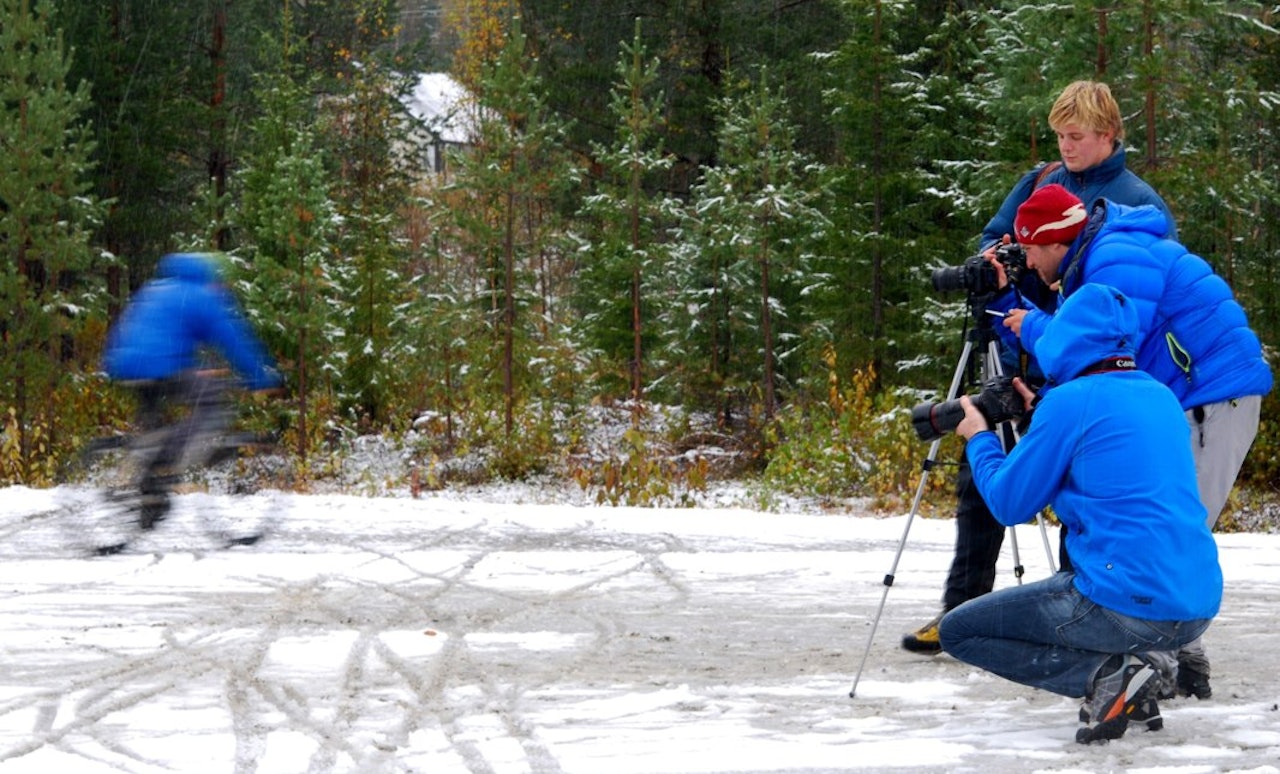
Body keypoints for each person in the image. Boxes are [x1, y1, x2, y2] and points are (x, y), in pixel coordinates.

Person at [903, 80, 1177, 654]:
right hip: (1016, 342)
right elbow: (994, 238)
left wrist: (1049, 314)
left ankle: (1088, 614)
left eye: (1076, 136)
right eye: (1059, 135)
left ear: (1108, 134)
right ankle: (962, 611)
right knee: (981, 478)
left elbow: (1133, 301)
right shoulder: (1040, 180)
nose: (1066, 146)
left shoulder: (1137, 201)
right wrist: (997, 264)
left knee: (1084, 481)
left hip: (1084, 366)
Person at [991, 183, 1272, 701]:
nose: (1027, 262)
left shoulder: (1115, 256)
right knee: (1167, 533)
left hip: (1210, 394)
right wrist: (1016, 309)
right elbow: (1088, 361)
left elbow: (1112, 344)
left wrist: (1033, 329)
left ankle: (1148, 670)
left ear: (1056, 242)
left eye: (1030, 251)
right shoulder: (1095, 255)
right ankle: (1179, 660)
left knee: (1164, 532)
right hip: (1193, 395)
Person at [938, 283, 1222, 745]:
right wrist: (1043, 414)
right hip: (1196, 604)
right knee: (1102, 585)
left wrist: (978, 436)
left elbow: (1009, 504)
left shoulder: (1071, 403)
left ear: (1066, 336)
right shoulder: (1159, 395)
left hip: (1124, 603)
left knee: (961, 631)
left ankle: (1104, 676)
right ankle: (1133, 684)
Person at [101, 252, 283, 531]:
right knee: (211, 408)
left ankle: (150, 493)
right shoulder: (201, 295)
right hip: (160, 364)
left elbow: (142, 328)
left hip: (126, 363)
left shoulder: (156, 289)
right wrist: (259, 376)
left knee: (155, 429)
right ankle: (163, 468)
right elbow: (233, 340)